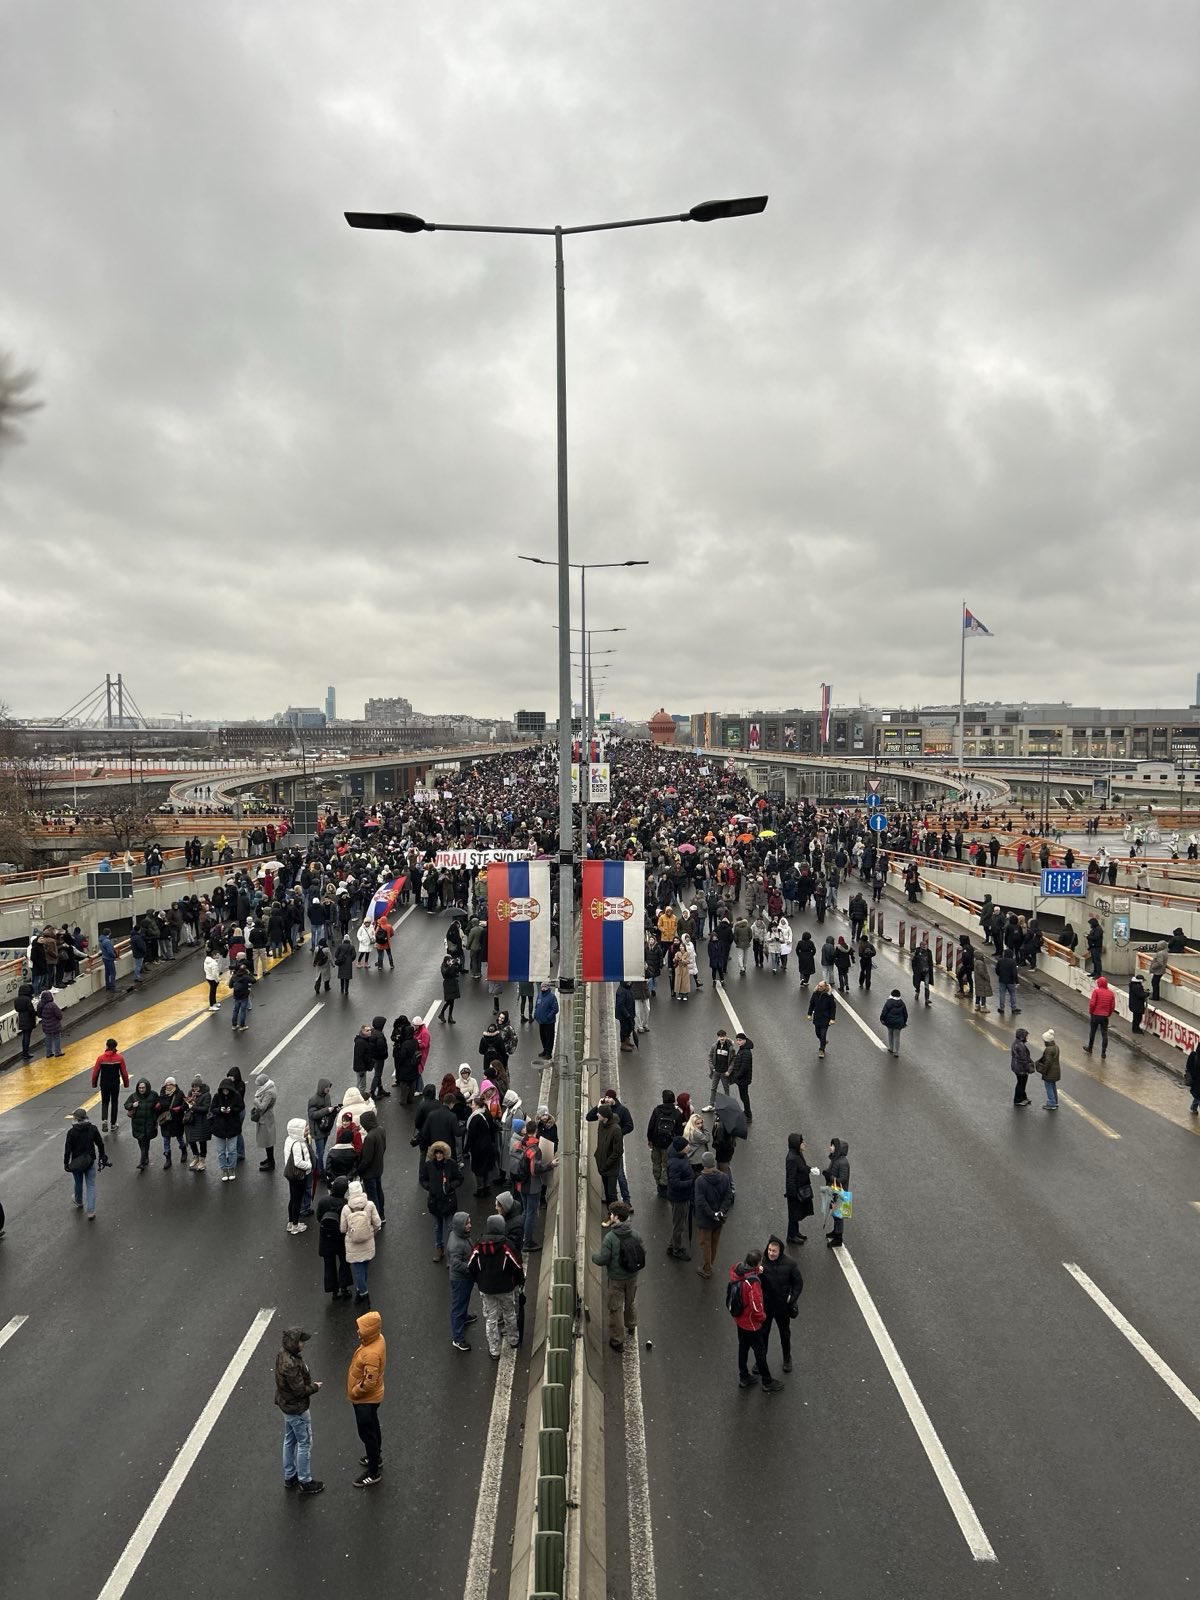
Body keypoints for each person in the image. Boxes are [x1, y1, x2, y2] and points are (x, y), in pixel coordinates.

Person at [468, 1214, 525, 1358]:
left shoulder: (478, 1245)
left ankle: (494, 1349)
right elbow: (517, 1265)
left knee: (491, 1319)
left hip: (486, 1289)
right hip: (506, 1287)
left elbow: (471, 1266)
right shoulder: (506, 1245)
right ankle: (513, 1339)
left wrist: (479, 1280)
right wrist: (518, 1281)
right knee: (510, 1313)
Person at [590, 1201, 645, 1352]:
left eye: (611, 1214)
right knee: (630, 1301)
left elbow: (603, 1259)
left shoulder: (611, 1238)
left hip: (616, 1278)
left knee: (615, 1307)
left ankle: (617, 1339)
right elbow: (642, 1252)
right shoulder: (635, 1235)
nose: (610, 1216)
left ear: (616, 1217)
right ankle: (631, 1325)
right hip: (632, 1276)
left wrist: (593, 1257)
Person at [275, 1328, 324, 1496]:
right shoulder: (292, 1364)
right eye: (301, 1341)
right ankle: (305, 1480)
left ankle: (290, 1476)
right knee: (304, 1442)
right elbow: (299, 1391)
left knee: (290, 1440)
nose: (303, 1344)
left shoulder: (283, 1354)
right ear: (294, 1343)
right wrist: (315, 1387)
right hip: (297, 1409)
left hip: (286, 1406)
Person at [728, 1250, 783, 1392]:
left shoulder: (737, 1269)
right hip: (751, 1323)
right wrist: (762, 1317)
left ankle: (744, 1376)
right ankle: (767, 1381)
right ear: (757, 1263)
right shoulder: (752, 1283)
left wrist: (756, 1271)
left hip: (739, 1319)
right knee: (760, 1351)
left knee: (743, 1347)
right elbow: (756, 1304)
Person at [346, 1310, 386, 1487]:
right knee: (373, 1427)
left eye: (361, 1329)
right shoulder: (377, 1340)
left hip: (365, 1399)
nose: (358, 1332)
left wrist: (355, 1391)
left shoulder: (371, 1353)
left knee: (367, 1433)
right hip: (372, 1398)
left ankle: (373, 1471)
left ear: (369, 1331)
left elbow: (369, 1383)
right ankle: (375, 1457)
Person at [761, 1235, 803, 1375]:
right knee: (763, 1334)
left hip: (782, 1307)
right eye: (769, 1250)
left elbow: (798, 1283)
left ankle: (787, 1358)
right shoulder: (762, 1263)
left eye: (774, 1251)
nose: (771, 1253)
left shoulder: (790, 1264)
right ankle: (761, 1361)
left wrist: (792, 1299)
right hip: (766, 1306)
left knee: (784, 1334)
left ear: (780, 1252)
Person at [341, 1178, 382, 1302]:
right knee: (364, 1269)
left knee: (358, 1271)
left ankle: (363, 1293)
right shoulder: (369, 1205)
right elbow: (378, 1223)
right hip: (368, 1242)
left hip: (353, 1245)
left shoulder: (346, 1208)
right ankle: (361, 1289)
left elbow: (343, 1229)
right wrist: (370, 1233)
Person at [420, 1140, 462, 1261]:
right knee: (437, 1228)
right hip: (435, 1202)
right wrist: (429, 1187)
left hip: (448, 1201)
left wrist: (451, 1185)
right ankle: (439, 1249)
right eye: (436, 1153)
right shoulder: (428, 1165)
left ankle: (450, 1253)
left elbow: (459, 1178)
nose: (438, 1155)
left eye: (441, 1153)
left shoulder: (451, 1164)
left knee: (450, 1228)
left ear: (444, 1154)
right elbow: (422, 1179)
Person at [694, 1151, 732, 1280]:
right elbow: (728, 1196)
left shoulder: (700, 1181)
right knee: (714, 1243)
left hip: (705, 1220)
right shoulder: (724, 1177)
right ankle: (711, 1263)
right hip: (719, 1219)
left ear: (704, 1165)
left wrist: (711, 1214)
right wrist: (721, 1212)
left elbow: (700, 1201)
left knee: (705, 1244)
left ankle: (706, 1268)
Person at [64, 1107, 105, 1218]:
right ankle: (91, 1211)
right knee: (91, 1185)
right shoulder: (92, 1128)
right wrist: (102, 1156)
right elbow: (100, 1144)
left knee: (78, 1183)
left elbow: (68, 1149)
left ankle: (79, 1201)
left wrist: (66, 1163)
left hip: (77, 1162)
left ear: (76, 1119)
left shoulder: (71, 1132)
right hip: (90, 1160)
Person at [318, 1175, 354, 1301]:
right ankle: (344, 1287)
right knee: (344, 1262)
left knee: (329, 1265)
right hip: (341, 1238)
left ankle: (334, 1291)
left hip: (326, 1238)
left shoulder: (323, 1201)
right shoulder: (346, 1204)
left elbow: (319, 1218)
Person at [446, 1211, 477, 1352]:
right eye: (467, 1223)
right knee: (458, 1306)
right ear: (460, 1226)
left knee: (463, 1302)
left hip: (465, 1279)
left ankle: (464, 1317)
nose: (470, 1225)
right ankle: (458, 1338)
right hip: (461, 1280)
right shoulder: (456, 1245)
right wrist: (472, 1267)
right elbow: (456, 1265)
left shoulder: (459, 1235)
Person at [646, 1090, 684, 1196]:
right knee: (666, 1164)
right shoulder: (677, 1113)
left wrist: (650, 1139)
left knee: (656, 1163)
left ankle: (658, 1181)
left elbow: (651, 1126)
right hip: (669, 1144)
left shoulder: (657, 1110)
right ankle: (664, 1185)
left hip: (656, 1142)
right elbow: (679, 1131)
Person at [90, 1038, 129, 1133]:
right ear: (115, 1047)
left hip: (104, 1083)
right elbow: (124, 1072)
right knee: (114, 1102)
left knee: (105, 1102)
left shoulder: (101, 1058)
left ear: (107, 1046)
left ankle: (104, 1120)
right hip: (115, 1083)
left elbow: (95, 1073)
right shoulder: (119, 1058)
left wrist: (94, 1083)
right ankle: (113, 1124)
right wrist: (126, 1083)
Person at [666, 1135, 695, 1259]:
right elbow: (674, 1183)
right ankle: (676, 1249)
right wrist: (691, 1182)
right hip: (679, 1198)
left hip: (681, 1196)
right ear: (681, 1149)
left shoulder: (679, 1156)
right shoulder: (675, 1163)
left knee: (678, 1223)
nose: (689, 1146)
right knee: (679, 1225)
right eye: (686, 1146)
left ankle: (672, 1245)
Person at [283, 1118, 314, 1232]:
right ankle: (295, 1226)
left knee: (293, 1199)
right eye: (305, 1129)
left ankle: (291, 1222)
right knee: (297, 1200)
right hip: (299, 1176)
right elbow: (298, 1162)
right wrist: (309, 1165)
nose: (307, 1130)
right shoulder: (297, 1144)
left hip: (291, 1175)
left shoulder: (289, 1139)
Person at [210, 1077, 243, 1181]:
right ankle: (224, 1169)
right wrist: (220, 1110)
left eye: (227, 1090)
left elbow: (240, 1107)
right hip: (220, 1127)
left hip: (233, 1127)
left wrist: (231, 1110)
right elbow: (213, 1109)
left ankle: (232, 1168)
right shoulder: (216, 1096)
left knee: (232, 1150)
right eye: (223, 1090)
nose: (225, 1091)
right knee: (221, 1151)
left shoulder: (236, 1096)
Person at [784, 1132, 814, 1245]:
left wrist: (810, 1169)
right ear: (797, 1144)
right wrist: (792, 1194)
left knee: (796, 1214)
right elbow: (790, 1178)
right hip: (795, 1192)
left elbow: (801, 1168)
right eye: (802, 1142)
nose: (804, 1144)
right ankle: (791, 1236)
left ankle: (795, 1232)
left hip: (799, 1189)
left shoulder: (797, 1155)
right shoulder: (792, 1158)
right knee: (793, 1215)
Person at [357, 1108, 387, 1221]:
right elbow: (384, 1147)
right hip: (378, 1168)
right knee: (379, 1191)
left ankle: (376, 1217)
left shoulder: (370, 1137)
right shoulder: (381, 1130)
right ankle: (382, 1214)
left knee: (372, 1195)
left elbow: (367, 1159)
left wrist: (359, 1169)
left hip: (369, 1172)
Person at [592, 1102, 624, 1207]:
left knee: (612, 1194)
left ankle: (615, 1216)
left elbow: (618, 1151)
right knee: (606, 1191)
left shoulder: (616, 1130)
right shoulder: (601, 1124)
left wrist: (607, 1163)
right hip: (602, 1164)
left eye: (599, 1113)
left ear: (605, 1116)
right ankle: (610, 1213)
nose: (597, 1115)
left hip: (611, 1167)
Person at [124, 1077, 158, 1171]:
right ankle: (145, 1158)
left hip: (149, 1124)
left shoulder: (154, 1095)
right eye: (140, 1088)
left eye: (143, 1088)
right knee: (142, 1142)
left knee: (145, 1142)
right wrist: (132, 1105)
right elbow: (126, 1105)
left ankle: (142, 1161)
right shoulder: (134, 1096)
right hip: (138, 1125)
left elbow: (159, 1105)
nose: (141, 1090)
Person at [156, 1076, 188, 1168]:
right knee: (166, 1141)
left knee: (180, 1138)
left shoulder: (179, 1093)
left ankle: (184, 1151)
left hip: (176, 1121)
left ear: (174, 1085)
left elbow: (185, 1104)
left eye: (170, 1084)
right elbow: (159, 1107)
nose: (168, 1086)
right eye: (167, 1084)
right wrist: (157, 1107)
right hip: (165, 1122)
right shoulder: (162, 1094)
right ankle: (168, 1160)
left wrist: (180, 1109)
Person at [823, 1138, 850, 1248]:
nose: (830, 1147)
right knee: (835, 1213)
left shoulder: (842, 1163)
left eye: (833, 1146)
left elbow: (843, 1179)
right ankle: (835, 1231)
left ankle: (838, 1238)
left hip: (839, 1192)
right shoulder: (835, 1159)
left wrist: (830, 1176)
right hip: (834, 1190)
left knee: (839, 1215)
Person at [1084, 976, 1116, 1059]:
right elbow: (1112, 1006)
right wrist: (1108, 1014)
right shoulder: (1111, 993)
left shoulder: (1096, 992)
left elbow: (1092, 1004)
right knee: (1104, 1034)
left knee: (1093, 1032)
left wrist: (1091, 1012)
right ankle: (1103, 1052)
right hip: (1105, 1016)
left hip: (1095, 1015)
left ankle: (1090, 1048)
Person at [704, 1029, 735, 1111]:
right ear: (718, 1037)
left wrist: (729, 1071)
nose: (722, 1038)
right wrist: (712, 1068)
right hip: (716, 1072)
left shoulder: (730, 1047)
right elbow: (710, 1057)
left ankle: (727, 1105)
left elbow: (733, 1060)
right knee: (713, 1088)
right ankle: (711, 1105)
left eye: (723, 1036)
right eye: (720, 1036)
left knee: (726, 1088)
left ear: (726, 1036)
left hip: (724, 1073)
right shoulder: (714, 1046)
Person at [252, 1073, 277, 1170]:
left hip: (266, 1119)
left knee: (268, 1141)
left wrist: (256, 1101)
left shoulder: (269, 1092)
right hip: (267, 1117)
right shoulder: (269, 1087)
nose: (258, 1087)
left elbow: (262, 1107)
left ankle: (271, 1162)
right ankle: (270, 1159)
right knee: (268, 1140)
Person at [807, 981, 837, 1058]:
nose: (819, 987)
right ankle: (823, 1041)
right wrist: (809, 1014)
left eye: (821, 986)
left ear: (825, 987)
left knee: (823, 1034)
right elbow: (812, 1004)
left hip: (825, 1018)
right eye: (819, 986)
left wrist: (832, 1019)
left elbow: (833, 1008)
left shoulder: (829, 996)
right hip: (817, 1017)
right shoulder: (815, 994)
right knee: (817, 1033)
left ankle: (821, 1050)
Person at [729, 1032, 754, 1121]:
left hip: (743, 1079)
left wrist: (737, 1076)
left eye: (740, 1040)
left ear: (744, 1040)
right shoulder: (743, 1049)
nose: (738, 1042)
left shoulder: (746, 1052)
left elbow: (744, 1067)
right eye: (737, 1040)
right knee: (743, 1096)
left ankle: (748, 1114)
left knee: (744, 1096)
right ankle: (747, 1112)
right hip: (742, 1078)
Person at [1036, 1029, 1061, 1111]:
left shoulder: (1048, 1049)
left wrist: (1044, 1071)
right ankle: (1055, 1101)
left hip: (1050, 1072)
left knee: (1049, 1087)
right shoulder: (1056, 1047)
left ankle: (1051, 1102)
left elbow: (1048, 1062)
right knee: (1053, 1086)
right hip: (1056, 1071)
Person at [879, 990, 908, 1057]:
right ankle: (896, 1051)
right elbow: (905, 1014)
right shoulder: (902, 1003)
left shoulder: (889, 1002)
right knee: (897, 1036)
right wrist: (904, 1022)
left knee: (890, 1033)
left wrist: (881, 1019)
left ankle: (891, 1048)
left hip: (889, 1021)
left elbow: (884, 1011)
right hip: (899, 1023)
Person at [435, 952, 461, 1024]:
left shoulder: (451, 965)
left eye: (451, 960)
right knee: (449, 1001)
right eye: (449, 960)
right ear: (445, 961)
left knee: (452, 1001)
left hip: (453, 983)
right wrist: (450, 966)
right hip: (448, 984)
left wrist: (457, 964)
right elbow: (445, 973)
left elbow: (457, 970)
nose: (450, 962)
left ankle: (449, 1017)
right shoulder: (443, 966)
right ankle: (442, 1013)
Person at [37, 988, 63, 1057]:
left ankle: (48, 1053)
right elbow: (59, 1015)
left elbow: (39, 1015)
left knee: (48, 1038)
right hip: (55, 1025)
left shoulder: (40, 1005)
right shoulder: (52, 1005)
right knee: (57, 1037)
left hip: (46, 1025)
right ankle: (57, 1052)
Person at [1010, 1028, 1033, 1107]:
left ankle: (1023, 1097)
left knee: (1021, 1083)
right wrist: (1028, 1068)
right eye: (1026, 1036)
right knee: (1021, 1084)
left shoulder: (1017, 1043)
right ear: (1022, 1036)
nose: (1027, 1037)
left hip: (1017, 1067)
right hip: (1020, 1068)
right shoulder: (1021, 1045)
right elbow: (1024, 1059)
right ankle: (1018, 1100)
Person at [995, 949, 1021, 1017]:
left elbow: (997, 970)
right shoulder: (1013, 962)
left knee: (1002, 994)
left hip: (1002, 980)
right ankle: (1013, 1008)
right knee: (1012, 994)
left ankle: (1001, 1008)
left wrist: (1000, 975)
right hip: (1011, 981)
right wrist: (1017, 982)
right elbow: (1014, 973)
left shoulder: (1000, 961)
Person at [15, 982, 36, 1061]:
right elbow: (31, 1010)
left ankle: (24, 1052)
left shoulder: (17, 1000)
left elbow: (17, 1009)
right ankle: (26, 1053)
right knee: (27, 1037)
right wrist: (35, 1014)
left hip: (21, 1019)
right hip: (28, 1020)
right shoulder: (27, 999)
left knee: (24, 1036)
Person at [911, 942, 934, 1007]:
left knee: (926, 985)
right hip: (919, 972)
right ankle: (917, 991)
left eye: (925, 945)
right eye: (923, 945)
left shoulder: (929, 952)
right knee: (917, 983)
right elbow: (914, 961)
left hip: (926, 972)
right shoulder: (917, 952)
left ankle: (927, 999)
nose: (924, 946)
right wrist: (915, 970)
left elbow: (930, 961)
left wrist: (930, 969)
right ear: (920, 946)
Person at [1186, 1043, 1200, 1115]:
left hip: (1195, 1081)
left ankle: (1193, 1107)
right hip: (1197, 1081)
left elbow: (1188, 1066)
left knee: (1197, 1095)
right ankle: (1193, 1107)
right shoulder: (1194, 1056)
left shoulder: (1193, 1055)